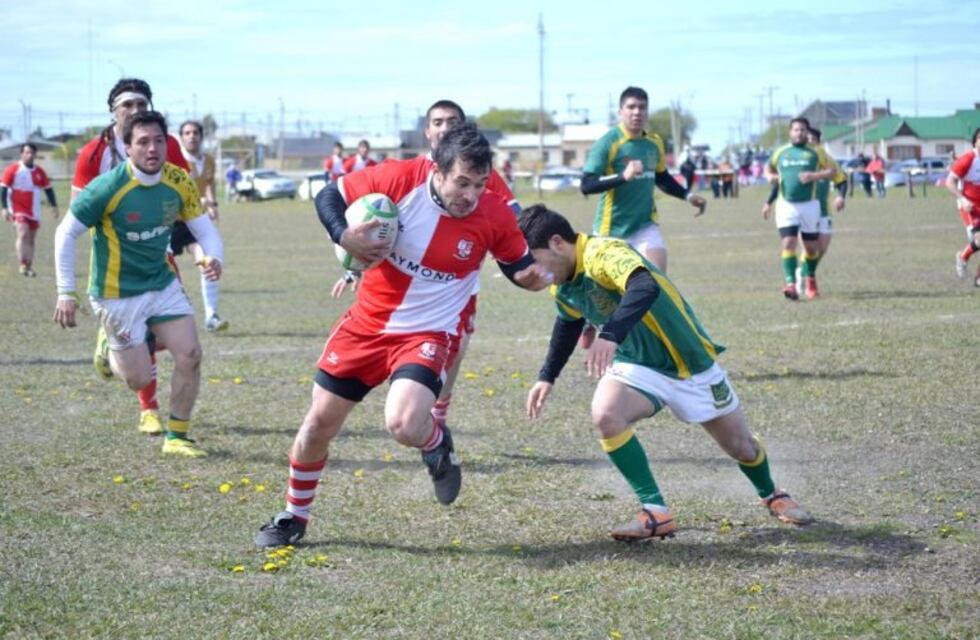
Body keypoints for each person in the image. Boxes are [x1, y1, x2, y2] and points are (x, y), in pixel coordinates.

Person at [254, 121, 553, 547]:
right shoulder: (397, 178)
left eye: (480, 184)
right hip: (367, 325)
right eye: (462, 182)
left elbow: (515, 263)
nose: (470, 195)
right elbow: (329, 196)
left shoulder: (494, 213)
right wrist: (345, 237)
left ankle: (436, 442)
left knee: (404, 423)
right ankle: (293, 516)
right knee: (317, 425)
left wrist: (530, 278)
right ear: (437, 168)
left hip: (428, 332)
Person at [519, 204, 813, 541]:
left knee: (741, 447)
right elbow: (568, 322)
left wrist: (610, 335)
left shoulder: (603, 252)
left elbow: (644, 286)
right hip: (637, 365)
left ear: (557, 243)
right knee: (606, 414)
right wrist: (546, 375)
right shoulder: (563, 284)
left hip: (688, 363)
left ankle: (773, 493)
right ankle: (655, 511)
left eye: (533, 260)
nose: (531, 273)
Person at [331, 99, 521, 444]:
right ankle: (427, 419)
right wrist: (353, 265)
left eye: (452, 121)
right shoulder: (403, 176)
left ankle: (438, 413)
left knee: (457, 348)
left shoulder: (481, 174)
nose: (444, 127)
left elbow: (513, 218)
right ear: (427, 130)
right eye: (437, 121)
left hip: (454, 285)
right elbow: (363, 221)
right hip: (389, 298)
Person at [53, 110, 224, 458]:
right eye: (142, 142)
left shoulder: (178, 180)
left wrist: (213, 256)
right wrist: (65, 291)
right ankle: (107, 349)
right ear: (127, 147)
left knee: (190, 354)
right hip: (116, 294)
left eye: (159, 141)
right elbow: (65, 233)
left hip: (162, 284)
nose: (152, 149)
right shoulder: (107, 187)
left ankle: (177, 436)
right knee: (138, 379)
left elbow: (203, 228)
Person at [72, 77, 192, 436]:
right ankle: (148, 408)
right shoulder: (93, 153)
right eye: (128, 105)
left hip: (159, 249)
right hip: (114, 256)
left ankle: (114, 341)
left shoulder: (166, 144)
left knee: (167, 330)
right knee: (140, 331)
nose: (135, 111)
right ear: (113, 112)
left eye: (142, 104)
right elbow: (77, 211)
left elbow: (182, 197)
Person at [580, 86, 706, 275]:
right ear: (620, 111)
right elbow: (586, 185)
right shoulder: (607, 143)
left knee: (657, 284)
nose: (637, 112)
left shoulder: (654, 143)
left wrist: (687, 195)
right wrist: (623, 177)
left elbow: (662, 177)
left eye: (642, 107)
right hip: (610, 232)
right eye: (631, 107)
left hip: (645, 226)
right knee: (617, 295)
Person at [762, 117, 837, 300]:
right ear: (790, 132)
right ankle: (790, 284)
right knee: (788, 243)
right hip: (786, 205)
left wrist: (814, 175)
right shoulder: (781, 152)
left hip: (810, 206)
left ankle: (810, 278)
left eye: (803, 130)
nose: (799, 133)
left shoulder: (816, 152)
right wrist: (770, 177)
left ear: (806, 132)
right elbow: (767, 168)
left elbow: (833, 171)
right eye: (796, 130)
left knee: (811, 249)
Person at [177, 120, 230, 332]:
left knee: (207, 260)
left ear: (201, 136)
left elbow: (209, 184)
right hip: (170, 221)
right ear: (181, 137)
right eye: (187, 133)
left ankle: (211, 315)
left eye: (195, 132)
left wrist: (212, 204)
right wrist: (197, 202)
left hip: (194, 221)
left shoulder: (208, 160)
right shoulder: (176, 160)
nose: (192, 136)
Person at [1, 143, 59, 276]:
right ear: (21, 154)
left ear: (35, 155)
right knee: (22, 234)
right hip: (17, 208)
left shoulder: (39, 172)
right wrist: (4, 208)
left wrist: (54, 206)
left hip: (34, 210)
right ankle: (22, 263)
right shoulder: (13, 169)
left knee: (31, 239)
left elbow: (48, 189)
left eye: (32, 153)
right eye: (26, 152)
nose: (29, 155)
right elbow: (3, 188)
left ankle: (28, 265)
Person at [949, 128, 980, 286]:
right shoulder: (968, 159)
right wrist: (963, 199)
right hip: (970, 207)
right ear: (975, 141)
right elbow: (950, 182)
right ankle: (963, 257)